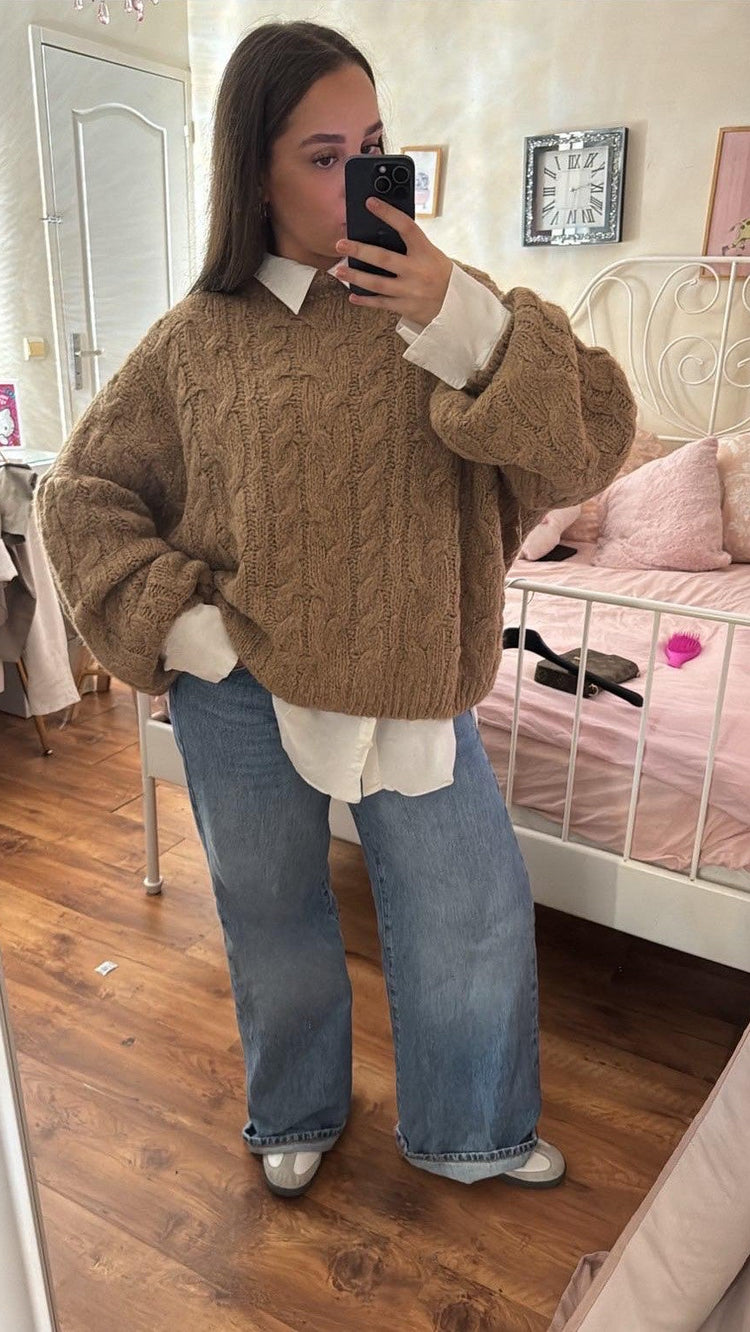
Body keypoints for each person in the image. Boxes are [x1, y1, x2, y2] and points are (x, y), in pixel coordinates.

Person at [36, 20, 637, 1200]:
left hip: (415, 676)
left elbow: (589, 445)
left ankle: (474, 1128)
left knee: (470, 913)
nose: (362, 177)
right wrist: (191, 631)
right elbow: (80, 493)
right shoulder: (195, 343)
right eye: (324, 156)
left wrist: (467, 323)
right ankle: (296, 1107)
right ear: (254, 173)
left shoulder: (444, 306)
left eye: (373, 146)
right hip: (242, 690)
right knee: (271, 915)